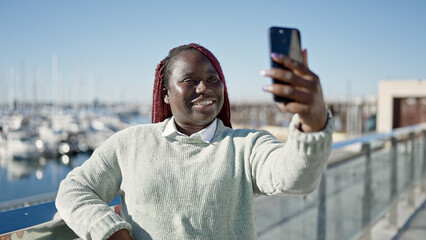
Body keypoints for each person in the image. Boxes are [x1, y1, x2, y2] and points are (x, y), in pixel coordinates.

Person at [56, 43, 333, 240]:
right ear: (165, 94)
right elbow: (74, 190)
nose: (204, 87)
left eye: (213, 79)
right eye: (190, 80)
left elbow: (296, 179)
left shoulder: (247, 145)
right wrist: (111, 231)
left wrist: (312, 122)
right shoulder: (129, 143)